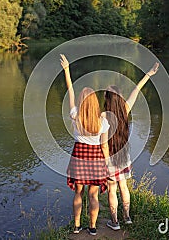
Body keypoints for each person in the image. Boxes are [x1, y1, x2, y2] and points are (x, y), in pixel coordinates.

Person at [104, 62, 160, 231]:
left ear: (107, 98)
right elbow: (136, 90)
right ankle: (127, 217)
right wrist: (148, 74)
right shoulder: (125, 110)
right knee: (124, 186)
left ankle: (114, 222)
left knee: (112, 190)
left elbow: (105, 144)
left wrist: (105, 163)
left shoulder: (104, 117)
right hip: (124, 156)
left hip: (111, 159)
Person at [61, 54, 110, 236]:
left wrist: (67, 70)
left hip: (79, 157)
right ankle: (92, 228)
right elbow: (104, 146)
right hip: (96, 158)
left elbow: (71, 91)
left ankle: (76, 226)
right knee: (93, 196)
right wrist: (107, 164)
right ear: (95, 102)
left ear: (82, 103)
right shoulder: (102, 122)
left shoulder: (75, 116)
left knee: (78, 194)